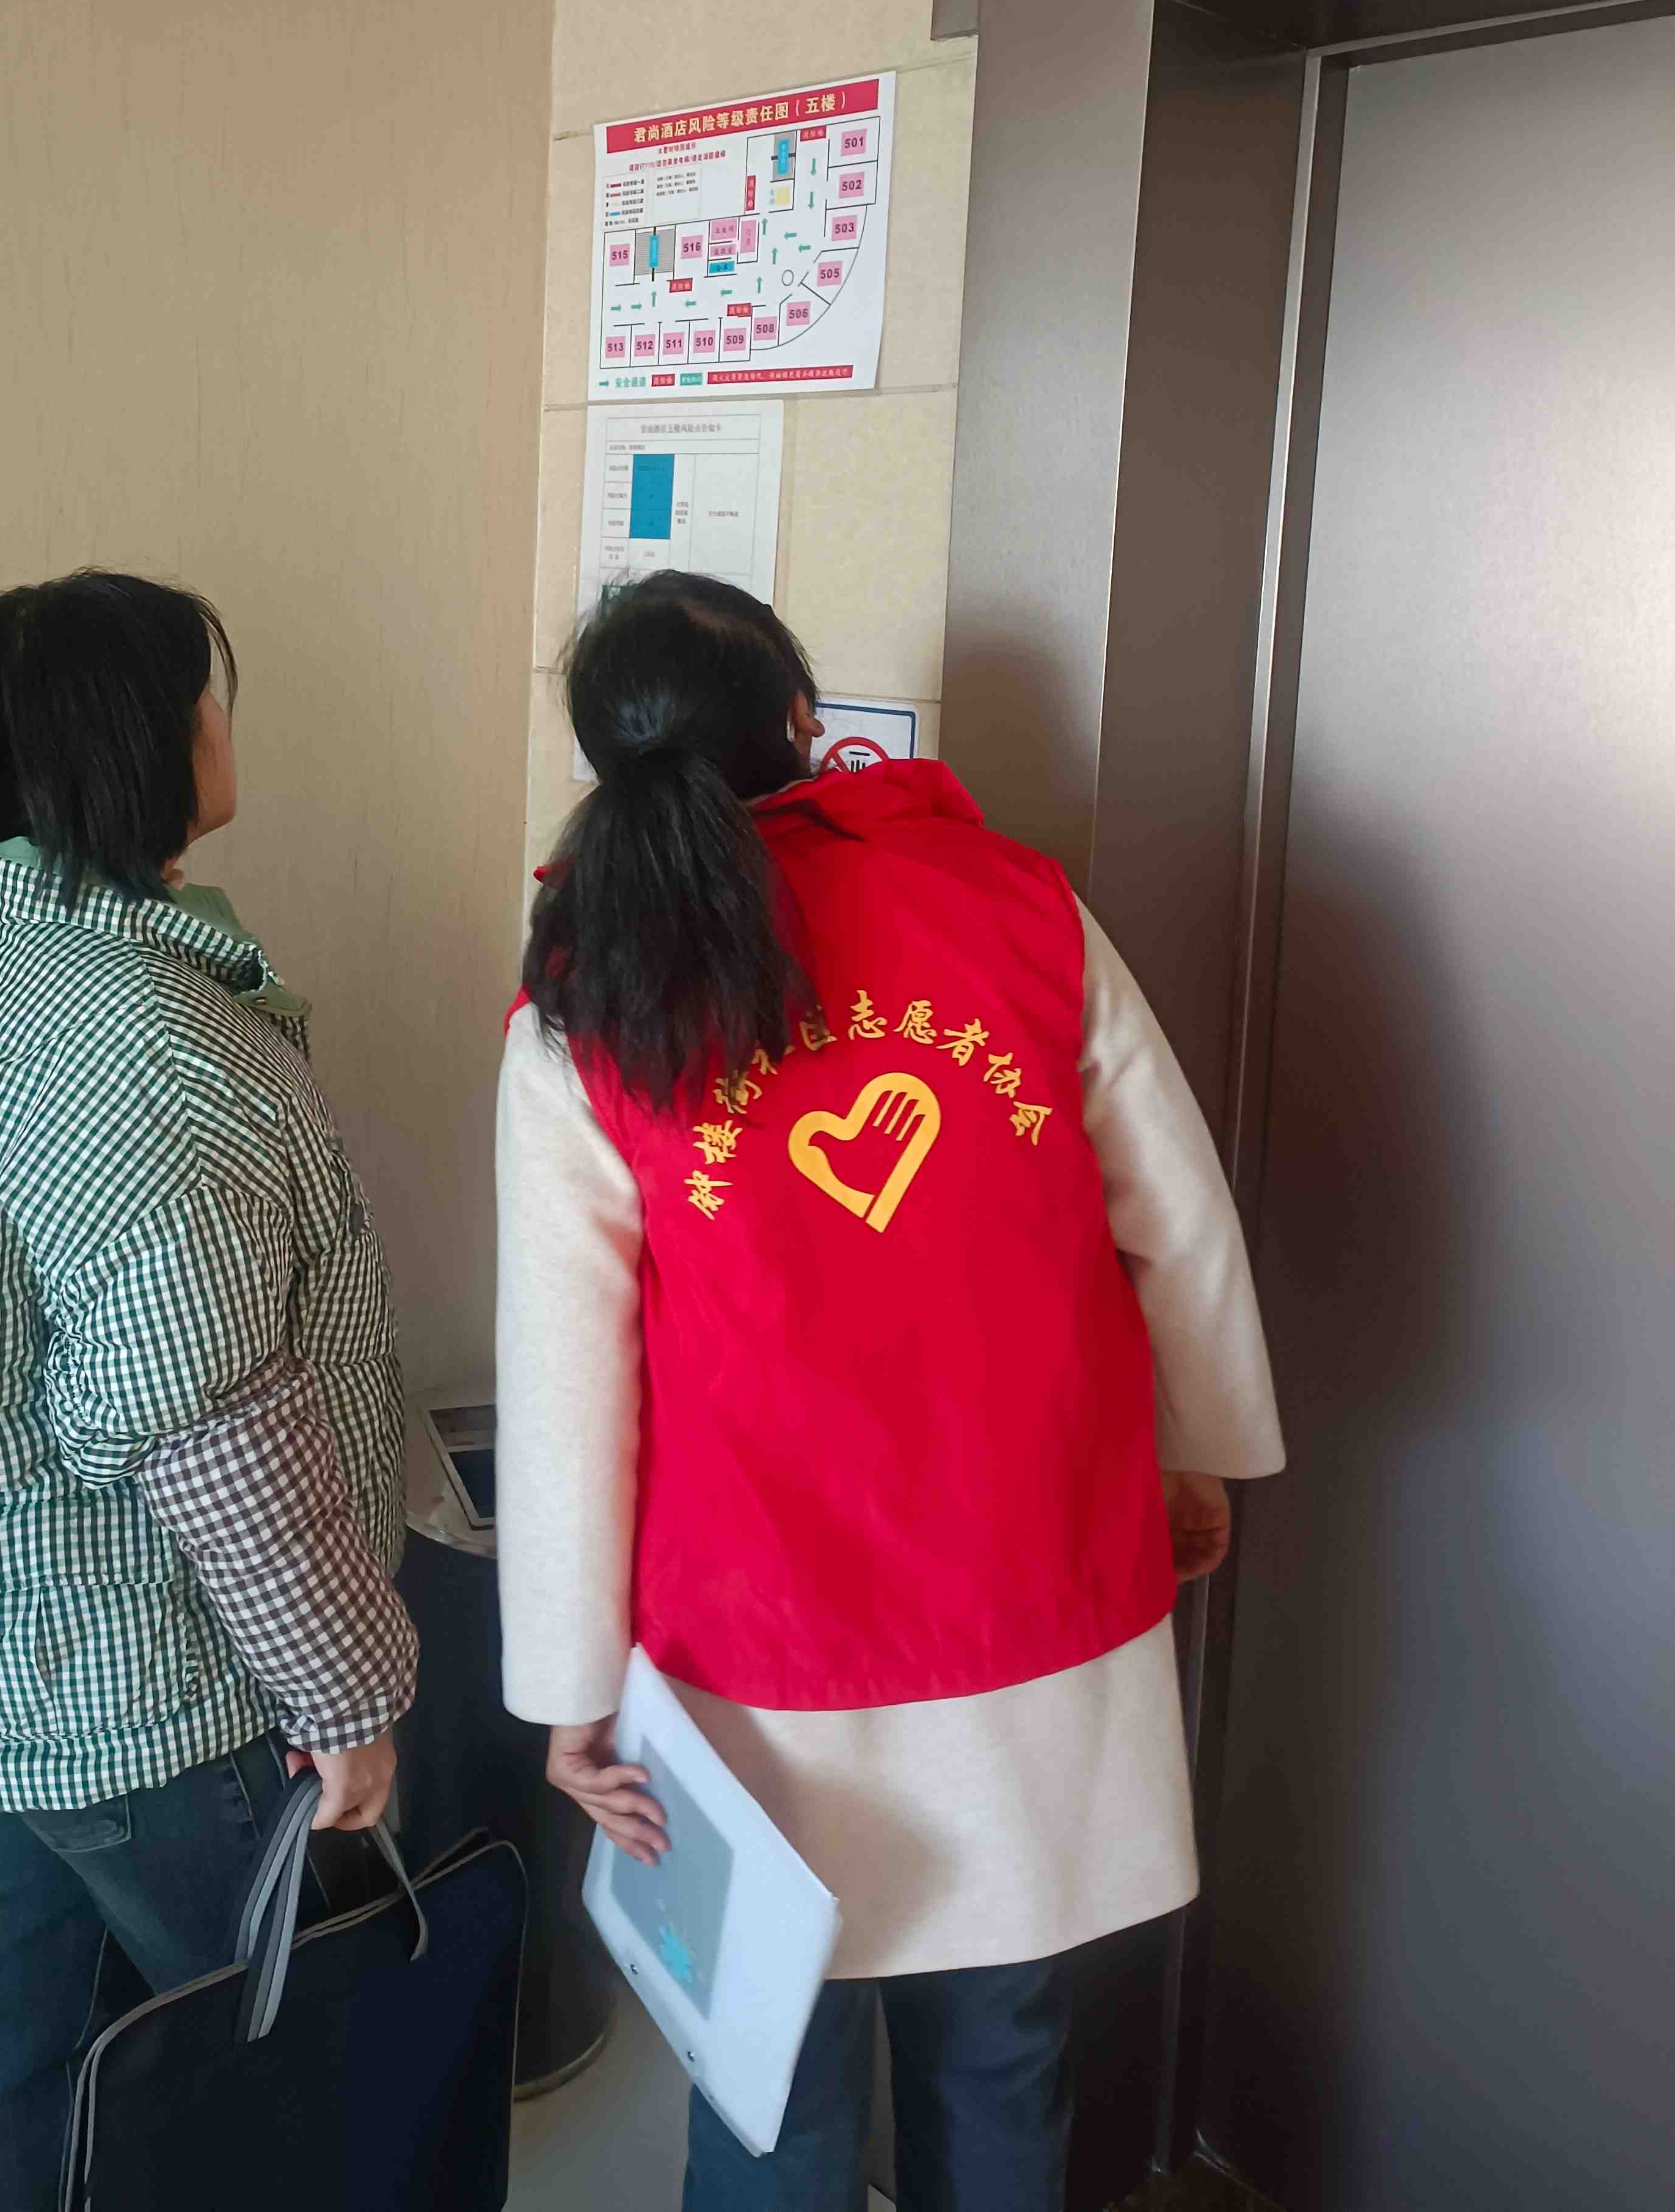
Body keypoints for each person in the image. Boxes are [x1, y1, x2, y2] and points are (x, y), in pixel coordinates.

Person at [495, 571, 1283, 2212]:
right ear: (802, 724)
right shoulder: (1017, 906)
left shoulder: (590, 986)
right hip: (1026, 1602)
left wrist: (568, 1688)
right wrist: (1195, 1454)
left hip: (754, 1647)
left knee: (767, 2082)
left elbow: (569, 1378)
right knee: (1002, 2051)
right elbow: (1177, 1214)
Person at [0, 570, 415, 2212]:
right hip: (134, 1674)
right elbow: (214, 1431)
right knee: (282, 2058)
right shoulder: (137, 1044)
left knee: (17, 2018)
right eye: (200, 691)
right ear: (135, 744)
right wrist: (347, 1701)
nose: (222, 720)